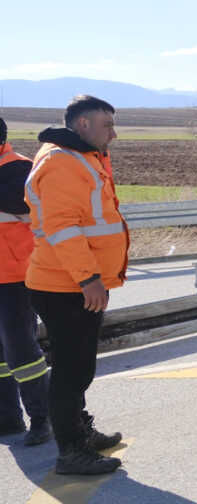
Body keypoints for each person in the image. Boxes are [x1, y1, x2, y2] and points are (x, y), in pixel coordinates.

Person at [25, 96, 127, 475]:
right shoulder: (61, 162)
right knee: (71, 370)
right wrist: (89, 279)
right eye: (107, 126)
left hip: (75, 283)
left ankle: (79, 431)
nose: (113, 134)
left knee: (79, 367)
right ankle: (70, 451)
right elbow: (63, 228)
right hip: (65, 284)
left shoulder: (84, 156)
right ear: (82, 125)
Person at [0, 117, 52, 447]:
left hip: (16, 275)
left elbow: (22, 206)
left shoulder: (18, 168)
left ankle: (43, 418)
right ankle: (7, 418)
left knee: (21, 349)